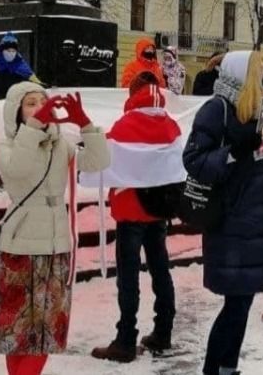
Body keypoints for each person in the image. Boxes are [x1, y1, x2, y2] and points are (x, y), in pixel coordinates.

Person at [0, 82, 110, 375]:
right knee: (16, 332)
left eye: (43, 101)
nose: (40, 107)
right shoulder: (5, 145)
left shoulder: (62, 145)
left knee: (44, 331)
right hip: (18, 246)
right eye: (31, 103)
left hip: (54, 247)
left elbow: (99, 161)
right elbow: (18, 168)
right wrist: (33, 127)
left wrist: (85, 124)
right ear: (16, 111)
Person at [184, 51, 263, 375]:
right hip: (230, 218)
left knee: (241, 303)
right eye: (256, 70)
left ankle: (226, 368)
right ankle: (215, 369)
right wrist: (236, 152)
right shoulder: (216, 109)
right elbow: (194, 161)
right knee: (237, 302)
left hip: (260, 217)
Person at [90, 82, 181, 363]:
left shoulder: (125, 124)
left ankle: (126, 339)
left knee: (128, 278)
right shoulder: (171, 126)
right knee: (161, 271)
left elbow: (104, 156)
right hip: (158, 210)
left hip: (130, 211)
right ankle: (163, 332)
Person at [0, 32, 41, 100]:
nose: (11, 53)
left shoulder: (21, 67)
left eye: (13, 51)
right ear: (2, 51)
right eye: (8, 50)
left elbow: (33, 84)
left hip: (14, 106)